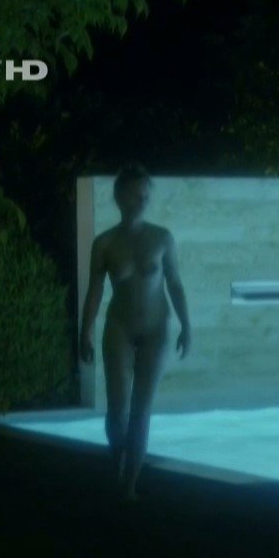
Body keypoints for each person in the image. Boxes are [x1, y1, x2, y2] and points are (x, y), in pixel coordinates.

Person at [79, 164, 191, 503]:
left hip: (157, 327)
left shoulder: (162, 238)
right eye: (135, 194)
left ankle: (129, 485)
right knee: (117, 412)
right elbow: (95, 289)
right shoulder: (105, 243)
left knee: (141, 411)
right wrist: (86, 331)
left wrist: (186, 325)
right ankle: (118, 464)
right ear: (119, 197)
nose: (141, 200)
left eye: (146, 194)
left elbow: (174, 283)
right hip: (120, 327)